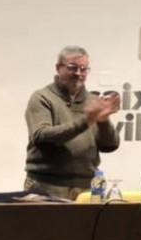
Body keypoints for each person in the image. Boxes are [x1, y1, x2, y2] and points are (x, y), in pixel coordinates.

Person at [24, 46, 121, 200]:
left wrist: (103, 122)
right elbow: (41, 135)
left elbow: (110, 146)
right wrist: (86, 121)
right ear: (58, 68)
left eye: (83, 69)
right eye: (72, 68)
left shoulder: (93, 101)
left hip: (86, 187)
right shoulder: (42, 97)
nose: (78, 73)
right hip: (46, 185)